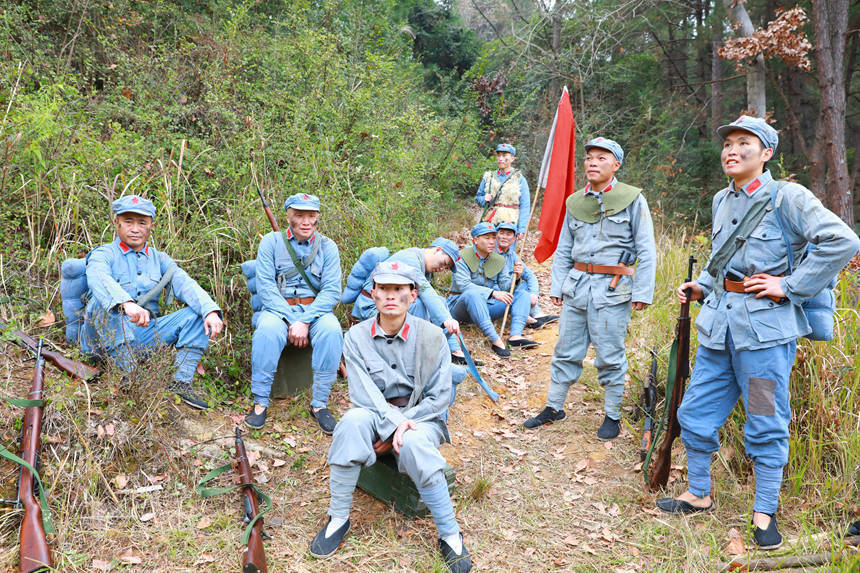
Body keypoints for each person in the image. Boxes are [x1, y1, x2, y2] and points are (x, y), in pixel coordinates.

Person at [655, 116, 860, 551]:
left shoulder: (788, 197)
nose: (732, 150)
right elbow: (720, 259)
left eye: (743, 143)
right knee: (695, 412)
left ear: (766, 153)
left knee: (766, 421)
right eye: (727, 143)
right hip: (718, 330)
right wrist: (702, 286)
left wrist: (790, 285)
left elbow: (843, 241)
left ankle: (764, 512)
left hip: (764, 339)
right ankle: (699, 493)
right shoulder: (721, 199)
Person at [310, 261, 472, 573]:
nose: (391, 296)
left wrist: (405, 424)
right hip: (375, 413)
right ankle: (338, 518)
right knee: (350, 423)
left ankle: (450, 534)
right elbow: (363, 393)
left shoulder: (432, 337)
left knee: (413, 442)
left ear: (413, 294)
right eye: (383, 288)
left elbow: (439, 397)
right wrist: (393, 425)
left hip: (421, 417)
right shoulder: (355, 337)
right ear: (373, 294)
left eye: (399, 289)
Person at [523, 137, 656, 440]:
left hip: (612, 290)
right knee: (565, 350)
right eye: (589, 158)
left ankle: (612, 415)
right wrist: (557, 286)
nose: (593, 163)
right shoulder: (575, 202)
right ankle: (554, 407)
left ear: (616, 165)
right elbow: (564, 248)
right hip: (577, 287)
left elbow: (646, 249)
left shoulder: (633, 199)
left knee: (609, 354)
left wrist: (642, 292)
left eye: (601, 158)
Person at [83, 195, 224, 409]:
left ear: (151, 226)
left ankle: (181, 382)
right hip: (102, 340)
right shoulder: (104, 253)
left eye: (142, 222)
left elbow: (185, 284)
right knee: (101, 302)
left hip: (143, 336)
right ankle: (129, 376)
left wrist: (210, 311)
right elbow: (98, 276)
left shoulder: (160, 259)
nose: (135, 229)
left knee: (198, 313)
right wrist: (125, 303)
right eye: (128, 221)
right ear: (117, 222)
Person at [246, 193, 343, 432]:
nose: (306, 222)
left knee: (332, 330)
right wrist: (292, 320)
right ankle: (260, 402)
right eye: (299, 215)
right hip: (278, 309)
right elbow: (266, 288)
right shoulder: (271, 242)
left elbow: (331, 291)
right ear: (288, 216)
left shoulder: (328, 247)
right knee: (267, 330)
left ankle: (320, 404)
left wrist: (305, 320)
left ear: (317, 217)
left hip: (315, 310)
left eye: (311, 216)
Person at [348, 238, 470, 401]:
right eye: (443, 263)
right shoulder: (410, 260)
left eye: (446, 268)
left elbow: (433, 298)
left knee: (439, 301)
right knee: (419, 304)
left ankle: (452, 352)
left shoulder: (422, 264)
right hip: (372, 308)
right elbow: (426, 293)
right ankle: (419, 360)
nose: (442, 269)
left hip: (390, 309)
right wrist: (446, 319)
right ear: (437, 250)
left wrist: (456, 348)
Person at [448, 223, 537, 358]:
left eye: (493, 238)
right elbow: (463, 285)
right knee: (473, 294)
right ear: (476, 240)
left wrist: (516, 277)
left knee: (521, 294)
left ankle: (515, 337)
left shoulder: (497, 259)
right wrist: (493, 293)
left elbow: (505, 287)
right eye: (487, 238)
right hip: (461, 307)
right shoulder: (462, 257)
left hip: (487, 305)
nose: (492, 242)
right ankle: (495, 340)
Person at [494, 221, 559, 330]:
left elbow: (530, 276)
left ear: (514, 238)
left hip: (511, 291)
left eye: (508, 234)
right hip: (498, 295)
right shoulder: (492, 253)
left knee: (526, 285)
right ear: (496, 235)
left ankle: (537, 314)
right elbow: (502, 286)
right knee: (521, 289)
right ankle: (526, 317)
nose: (504, 237)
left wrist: (534, 294)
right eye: (502, 233)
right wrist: (517, 278)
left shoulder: (512, 255)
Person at [475, 143, 530, 241]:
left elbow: (525, 206)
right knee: (489, 248)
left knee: (506, 249)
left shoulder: (520, 179)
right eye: (499, 155)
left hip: (510, 223)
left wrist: (522, 229)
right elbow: (478, 197)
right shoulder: (489, 177)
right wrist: (484, 199)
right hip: (490, 221)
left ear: (512, 158)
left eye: (504, 155)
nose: (501, 158)